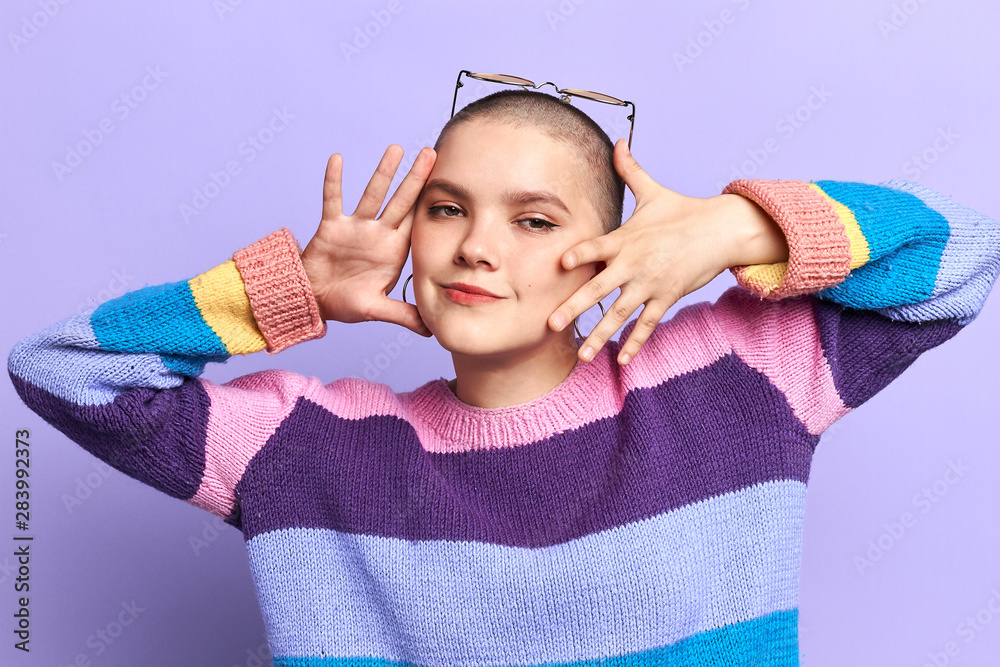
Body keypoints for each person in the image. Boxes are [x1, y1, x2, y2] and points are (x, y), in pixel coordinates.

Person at [8, 88, 1000, 665]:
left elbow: (961, 256)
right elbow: (61, 370)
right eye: (446, 209)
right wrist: (292, 290)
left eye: (533, 219)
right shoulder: (305, 448)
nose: (476, 247)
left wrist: (737, 227)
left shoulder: (737, 376)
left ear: (610, 249)